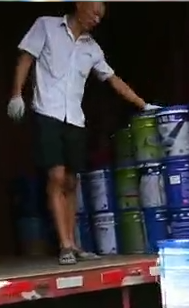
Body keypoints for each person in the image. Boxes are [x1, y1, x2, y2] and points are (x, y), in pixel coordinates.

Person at [7, 2, 157, 265]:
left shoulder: (92, 49)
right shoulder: (46, 26)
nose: (96, 20)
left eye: (100, 17)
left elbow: (113, 80)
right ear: (80, 5)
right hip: (48, 113)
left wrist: (143, 105)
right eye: (94, 13)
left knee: (71, 181)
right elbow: (26, 58)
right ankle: (65, 245)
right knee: (55, 177)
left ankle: (74, 244)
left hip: (75, 120)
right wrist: (16, 94)